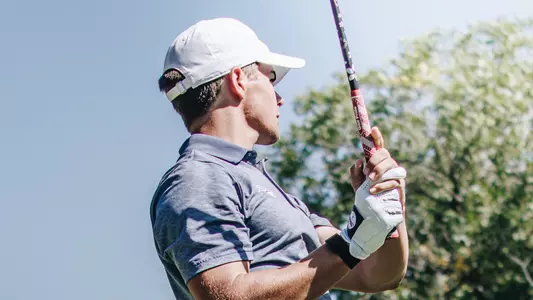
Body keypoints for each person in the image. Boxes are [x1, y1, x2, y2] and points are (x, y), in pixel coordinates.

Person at [150, 17, 409, 300]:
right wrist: (350, 244)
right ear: (237, 80)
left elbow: (377, 273)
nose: (279, 97)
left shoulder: (269, 190)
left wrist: (388, 208)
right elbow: (227, 296)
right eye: (270, 78)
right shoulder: (197, 178)